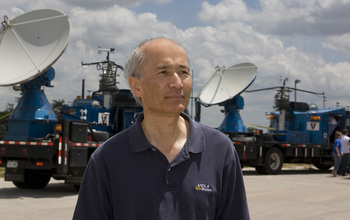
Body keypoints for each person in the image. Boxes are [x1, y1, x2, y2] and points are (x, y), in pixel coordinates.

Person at [73, 38, 250, 219]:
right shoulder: (107, 158)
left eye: (183, 72)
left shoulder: (219, 150)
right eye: (164, 72)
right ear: (136, 86)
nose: (177, 83)